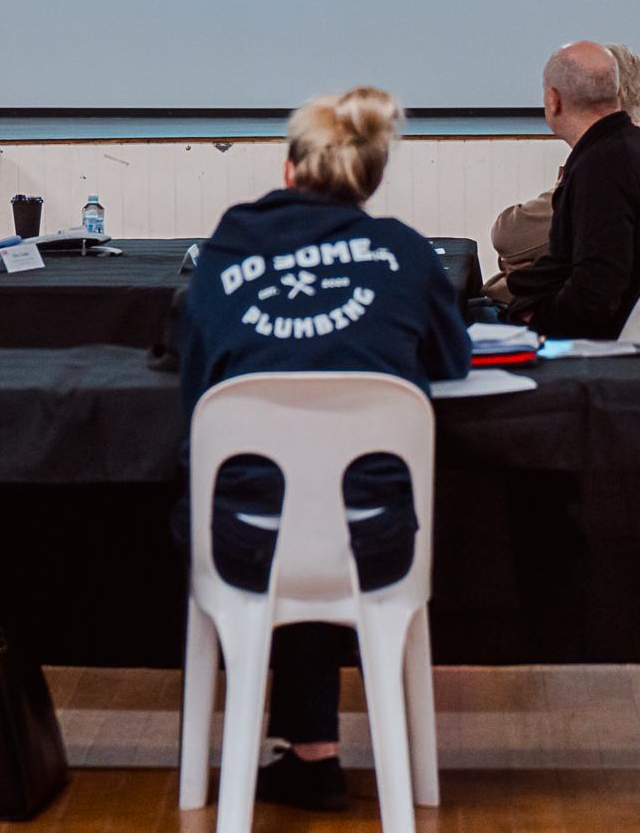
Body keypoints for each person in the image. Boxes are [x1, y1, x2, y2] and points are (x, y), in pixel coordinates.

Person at [179, 87, 470, 813]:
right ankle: (313, 752)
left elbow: (196, 375)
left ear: (289, 169)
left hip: (241, 541)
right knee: (326, 503)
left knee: (281, 501)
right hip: (379, 541)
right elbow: (453, 360)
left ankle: (308, 752)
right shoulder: (404, 251)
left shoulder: (225, 249)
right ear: (370, 179)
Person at [504, 41, 640, 339]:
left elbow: (594, 297)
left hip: (601, 349)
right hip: (630, 338)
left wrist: (533, 320)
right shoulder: (624, 151)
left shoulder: (606, 167)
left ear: (554, 100)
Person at [483, 44, 640, 305]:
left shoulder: (609, 167)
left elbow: (510, 237)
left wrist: (520, 269)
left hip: (563, 317)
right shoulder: (639, 154)